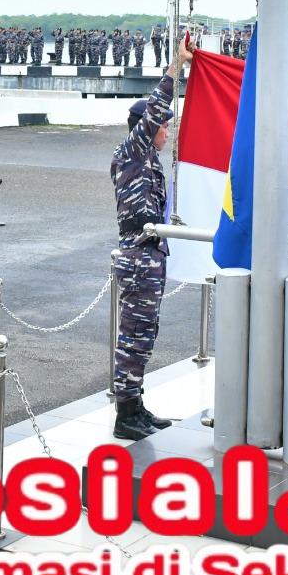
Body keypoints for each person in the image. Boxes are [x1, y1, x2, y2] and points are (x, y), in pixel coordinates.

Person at [108, 33, 195, 440]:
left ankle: (135, 405)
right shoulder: (132, 152)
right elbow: (158, 104)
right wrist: (177, 66)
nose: (168, 131)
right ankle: (125, 415)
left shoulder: (149, 160)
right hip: (138, 255)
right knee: (133, 337)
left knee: (143, 337)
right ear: (148, 127)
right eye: (165, 126)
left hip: (150, 255)